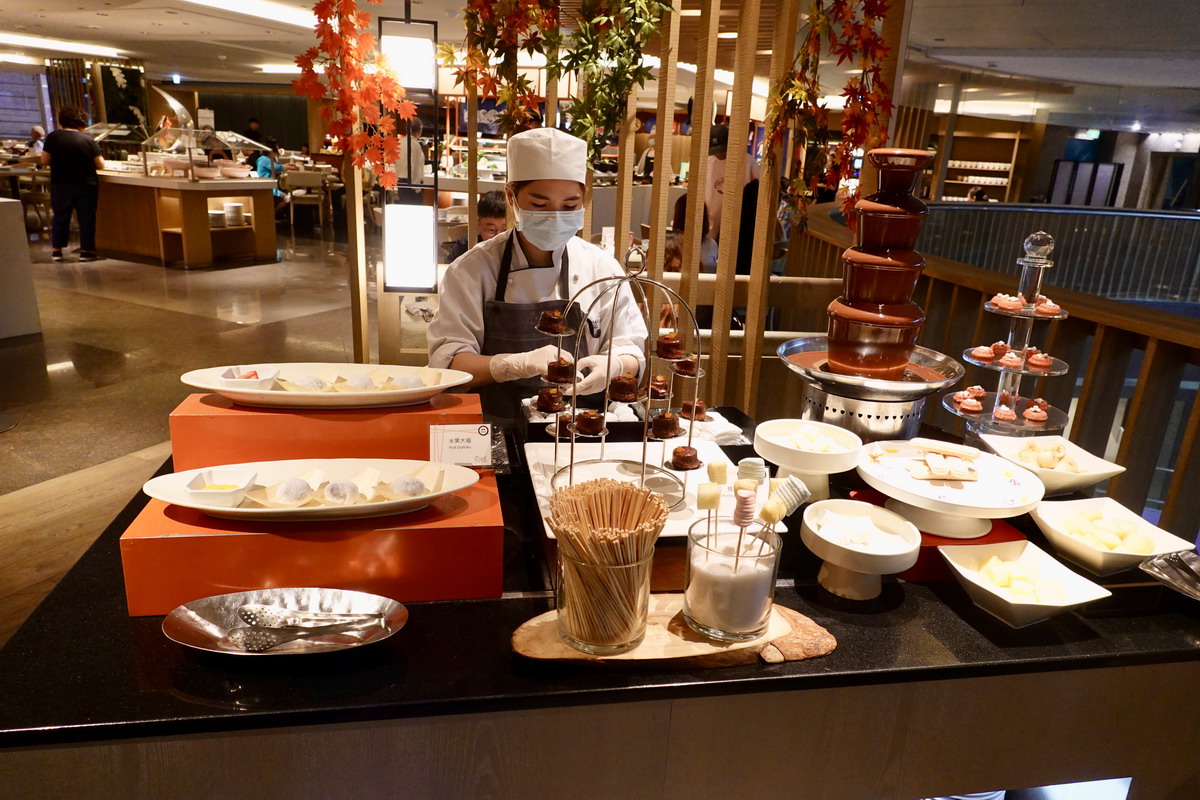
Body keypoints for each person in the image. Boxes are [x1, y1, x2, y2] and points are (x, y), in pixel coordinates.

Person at [427, 127, 647, 422]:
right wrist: (516, 364)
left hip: (580, 430)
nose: (555, 216)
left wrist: (616, 364)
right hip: (495, 430)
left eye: (570, 206)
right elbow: (449, 364)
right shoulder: (472, 270)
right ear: (511, 196)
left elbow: (632, 349)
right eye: (540, 205)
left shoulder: (602, 268)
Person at [40, 106, 104, 263]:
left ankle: (57, 251)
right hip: (85, 184)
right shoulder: (88, 140)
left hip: (60, 183)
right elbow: (100, 164)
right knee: (86, 218)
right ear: (81, 121)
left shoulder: (53, 137)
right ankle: (86, 252)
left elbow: (44, 160)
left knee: (61, 216)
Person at [704, 122, 759, 242]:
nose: (719, 154)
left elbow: (756, 195)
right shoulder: (706, 163)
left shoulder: (748, 162)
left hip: (738, 226)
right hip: (710, 226)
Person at [445, 190, 507, 262]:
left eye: (505, 230)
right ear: (478, 224)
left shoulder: (517, 246)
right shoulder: (465, 246)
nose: (498, 236)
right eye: (491, 229)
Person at [254, 138, 297, 213]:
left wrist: (289, 165)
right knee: (287, 198)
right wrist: (292, 167)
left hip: (269, 186)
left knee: (286, 195)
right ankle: (272, 214)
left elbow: (277, 165)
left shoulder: (263, 159)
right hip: (267, 188)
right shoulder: (264, 159)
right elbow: (277, 168)